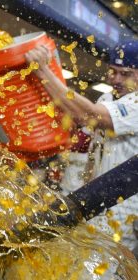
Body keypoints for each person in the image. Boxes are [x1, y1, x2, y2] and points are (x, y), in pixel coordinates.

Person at [25, 40, 138, 251]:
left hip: (124, 212)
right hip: (95, 203)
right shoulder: (109, 98)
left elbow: (92, 116)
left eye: (126, 73)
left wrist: (43, 71)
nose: (116, 79)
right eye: (113, 72)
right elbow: (77, 114)